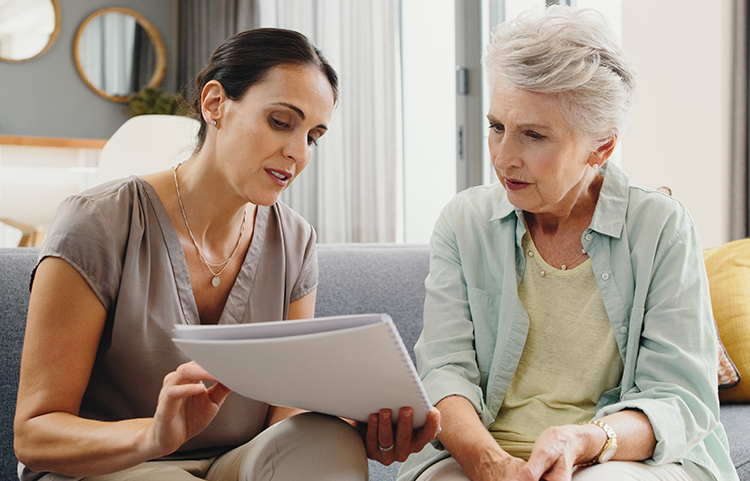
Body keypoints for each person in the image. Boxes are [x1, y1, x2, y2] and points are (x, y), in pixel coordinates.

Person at [14, 28, 439, 481]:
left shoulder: (295, 241)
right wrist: (152, 437)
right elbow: (35, 434)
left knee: (324, 442)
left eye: (313, 136)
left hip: (234, 466)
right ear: (215, 103)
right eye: (280, 122)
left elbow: (285, 418)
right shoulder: (98, 221)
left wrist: (357, 425)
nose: (297, 153)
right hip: (114, 464)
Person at [398, 6, 737, 481]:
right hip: (480, 453)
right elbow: (445, 371)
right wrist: (489, 464)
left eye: (533, 135)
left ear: (600, 147)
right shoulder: (464, 221)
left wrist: (585, 440)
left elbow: (679, 399)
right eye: (497, 127)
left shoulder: (661, 229)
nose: (503, 157)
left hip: (619, 455)